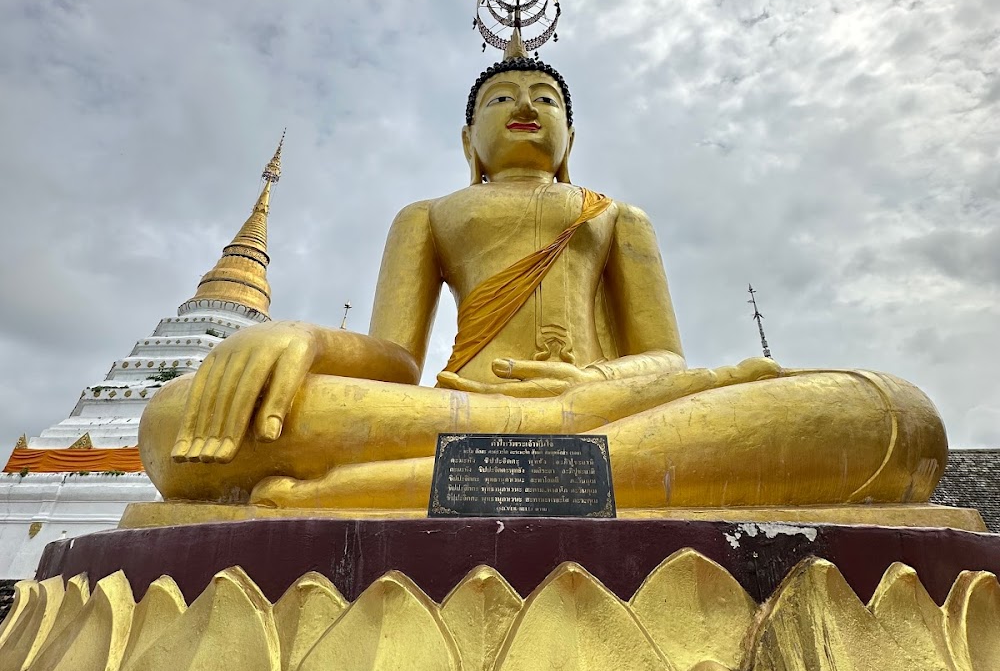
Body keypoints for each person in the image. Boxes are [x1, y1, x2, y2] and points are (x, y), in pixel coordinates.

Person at [139, 50, 946, 512]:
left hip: (607, 409)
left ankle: (411, 482)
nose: (523, 104)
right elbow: (393, 360)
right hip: (461, 408)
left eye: (543, 97)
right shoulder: (427, 215)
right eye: (501, 96)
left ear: (568, 134)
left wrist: (586, 393)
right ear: (469, 138)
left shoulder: (616, 215)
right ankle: (556, 464)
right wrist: (304, 338)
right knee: (179, 424)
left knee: (894, 418)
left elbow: (664, 360)